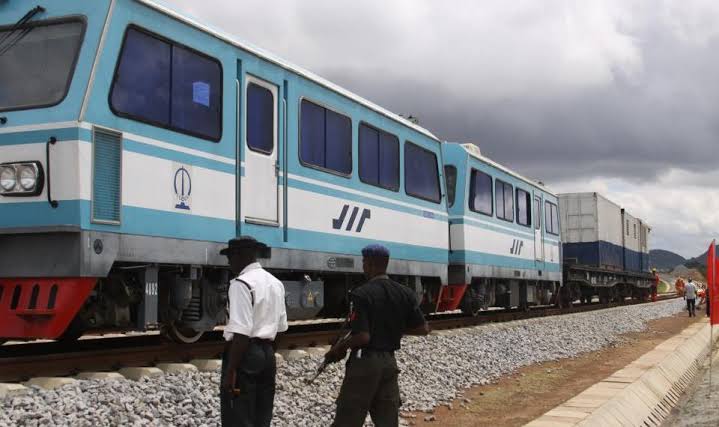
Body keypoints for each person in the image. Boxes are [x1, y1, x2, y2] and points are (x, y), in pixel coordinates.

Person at [325, 244, 430, 427]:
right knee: (387, 421)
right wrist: (394, 329)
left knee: (348, 418)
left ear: (371, 264)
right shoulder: (405, 293)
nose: (363, 267)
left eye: (364, 263)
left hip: (364, 364)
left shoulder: (361, 294)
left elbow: (363, 337)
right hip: (389, 364)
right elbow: (423, 329)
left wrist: (339, 348)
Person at [220, 236, 288, 427]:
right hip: (267, 355)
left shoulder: (241, 284)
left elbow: (241, 333)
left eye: (230, 256)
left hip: (245, 354)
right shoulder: (276, 283)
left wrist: (231, 370)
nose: (228, 262)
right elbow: (281, 328)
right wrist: (266, 352)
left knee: (239, 415)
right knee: (262, 415)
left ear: (240, 255)